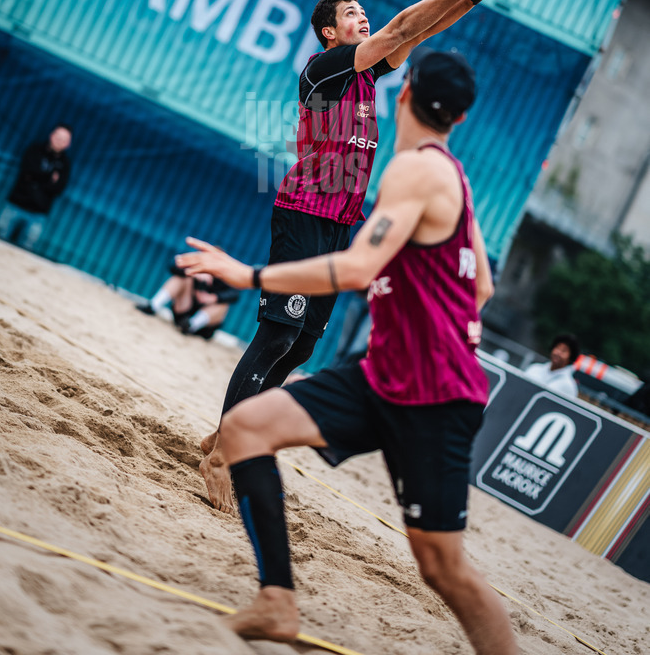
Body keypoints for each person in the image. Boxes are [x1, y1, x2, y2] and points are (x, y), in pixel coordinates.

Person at [175, 48, 517, 655]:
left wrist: (247, 275)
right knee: (248, 427)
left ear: (402, 93)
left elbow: (359, 267)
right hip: (387, 373)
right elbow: (482, 287)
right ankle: (276, 601)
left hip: (434, 395)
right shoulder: (454, 179)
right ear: (461, 119)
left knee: (443, 569)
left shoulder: (415, 170)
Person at [198, 0, 516, 512]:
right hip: (304, 210)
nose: (363, 17)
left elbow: (417, 31)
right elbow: (401, 26)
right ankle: (225, 456)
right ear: (329, 32)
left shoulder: (367, 75)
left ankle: (230, 434)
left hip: (340, 222)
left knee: (301, 346)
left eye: (363, 11)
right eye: (351, 13)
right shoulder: (325, 69)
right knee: (276, 338)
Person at [0, 124, 72, 250]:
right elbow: (27, 171)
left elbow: (58, 188)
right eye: (58, 137)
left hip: (38, 214)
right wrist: (49, 177)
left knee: (26, 249)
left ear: (68, 144)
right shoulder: (35, 150)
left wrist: (36, 177)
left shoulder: (65, 164)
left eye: (64, 139)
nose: (59, 141)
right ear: (51, 135)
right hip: (15, 204)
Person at [137, 266, 239, 338]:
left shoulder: (226, 279)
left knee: (224, 304)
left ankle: (192, 325)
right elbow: (173, 266)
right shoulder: (196, 267)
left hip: (204, 327)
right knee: (181, 278)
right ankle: (153, 306)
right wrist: (194, 273)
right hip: (184, 313)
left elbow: (235, 295)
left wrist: (213, 298)